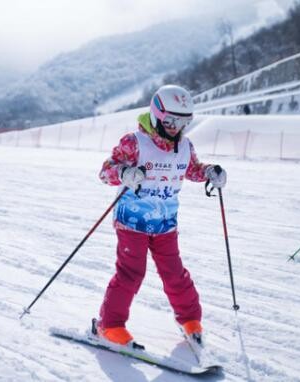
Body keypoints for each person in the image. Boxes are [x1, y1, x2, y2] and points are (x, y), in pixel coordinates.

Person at [95, 85, 226, 347]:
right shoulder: (134, 142)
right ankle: (109, 325)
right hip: (133, 221)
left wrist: (211, 172)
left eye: (183, 121)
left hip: (165, 223)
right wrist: (124, 174)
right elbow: (105, 170)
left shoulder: (185, 146)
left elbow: (193, 170)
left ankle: (189, 319)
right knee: (132, 273)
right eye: (171, 120)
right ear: (156, 115)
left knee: (174, 273)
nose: (176, 127)